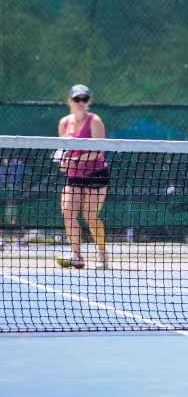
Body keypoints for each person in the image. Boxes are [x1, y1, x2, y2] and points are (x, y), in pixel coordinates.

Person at [56, 84, 109, 269]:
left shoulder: (95, 121)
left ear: (88, 102)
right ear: (70, 101)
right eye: (77, 99)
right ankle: (76, 255)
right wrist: (63, 161)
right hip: (74, 176)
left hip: (96, 175)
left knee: (89, 215)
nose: (80, 102)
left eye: (84, 99)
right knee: (68, 212)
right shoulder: (64, 123)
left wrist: (76, 160)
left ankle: (102, 252)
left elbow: (98, 151)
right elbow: (64, 152)